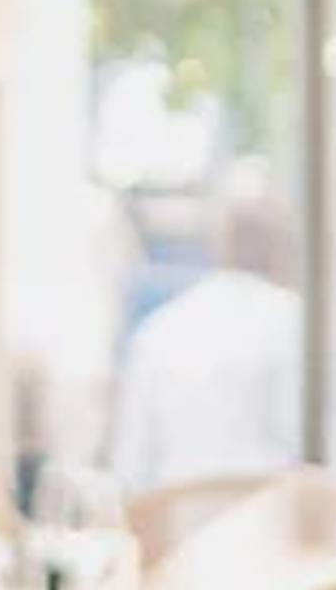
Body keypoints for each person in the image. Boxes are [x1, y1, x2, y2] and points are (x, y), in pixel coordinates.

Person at [107, 191, 306, 494]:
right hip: (267, 520)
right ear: (282, 249)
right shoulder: (294, 321)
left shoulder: (159, 329)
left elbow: (130, 465)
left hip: (174, 523)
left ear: (220, 246)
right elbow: (302, 438)